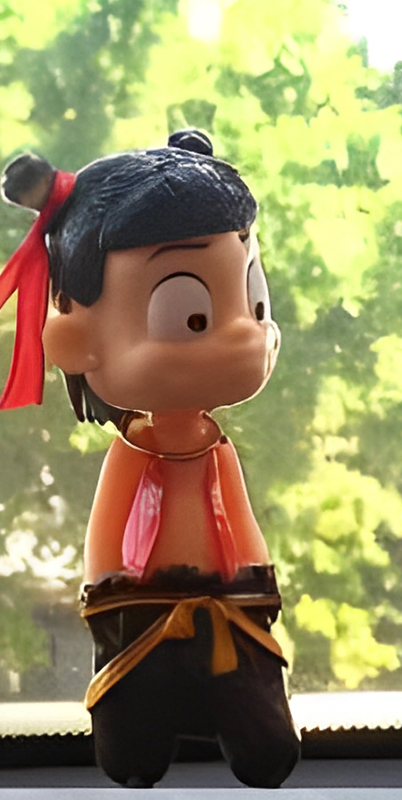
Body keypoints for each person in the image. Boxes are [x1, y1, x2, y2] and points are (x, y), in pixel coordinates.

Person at [0, 130, 300, 788]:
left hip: (228, 610)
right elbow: (107, 533)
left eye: (254, 302)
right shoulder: (134, 452)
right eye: (190, 315)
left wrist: (256, 582)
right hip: (142, 613)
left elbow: (240, 519)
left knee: (264, 738)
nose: (247, 332)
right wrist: (109, 589)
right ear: (74, 341)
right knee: (133, 734)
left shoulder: (215, 447)